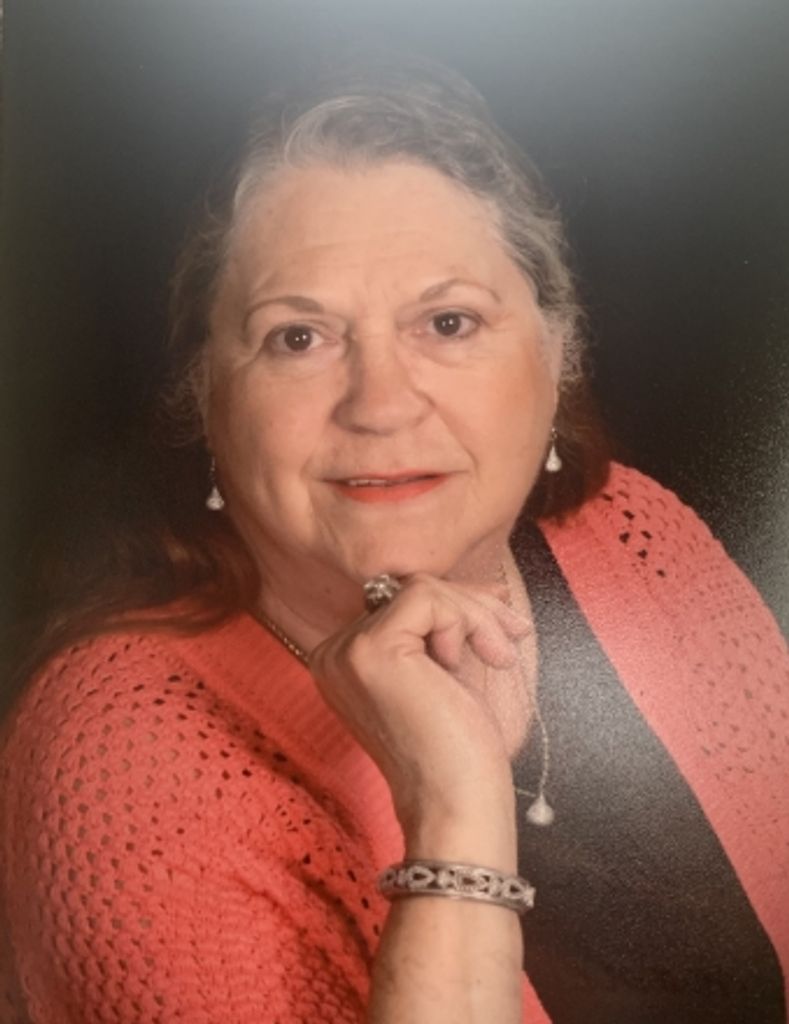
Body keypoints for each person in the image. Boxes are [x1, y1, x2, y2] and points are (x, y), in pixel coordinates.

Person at [1, 56, 787, 1024]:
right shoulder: (123, 778)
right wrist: (455, 809)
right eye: (298, 337)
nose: (379, 404)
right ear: (205, 397)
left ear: (559, 352)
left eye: (448, 322)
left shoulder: (634, 533)